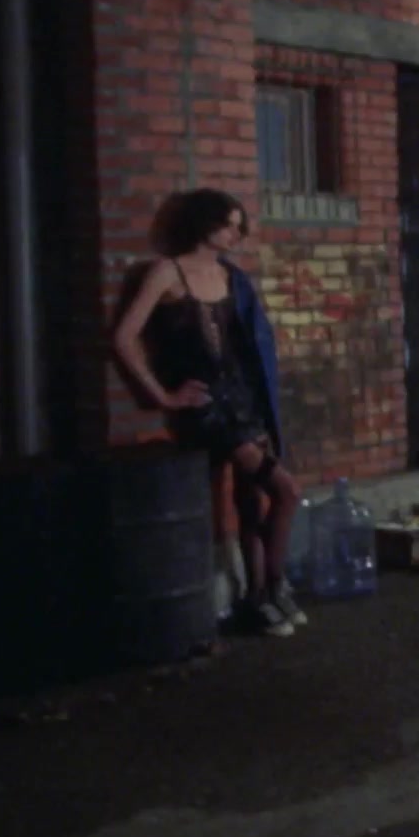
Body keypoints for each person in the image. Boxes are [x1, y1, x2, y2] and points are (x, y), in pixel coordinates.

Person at [112, 188, 304, 637]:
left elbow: (251, 343)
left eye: (240, 226)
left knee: (249, 503)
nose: (236, 233)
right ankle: (271, 590)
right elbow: (123, 337)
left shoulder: (231, 276)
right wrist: (163, 396)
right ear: (204, 223)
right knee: (287, 491)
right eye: (228, 224)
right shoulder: (167, 272)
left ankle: (260, 596)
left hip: (245, 402)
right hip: (209, 409)